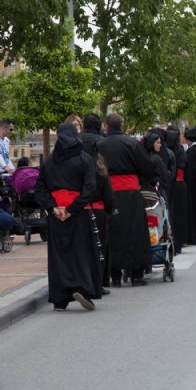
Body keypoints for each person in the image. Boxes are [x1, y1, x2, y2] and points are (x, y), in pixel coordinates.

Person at [35, 123, 100, 311]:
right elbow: (90, 188)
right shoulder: (84, 159)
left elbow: (40, 188)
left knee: (59, 256)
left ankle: (60, 298)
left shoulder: (48, 161)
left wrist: (54, 208)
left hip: (56, 215)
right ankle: (83, 288)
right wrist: (72, 209)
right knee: (81, 252)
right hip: (78, 213)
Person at [98, 113, 155, 287]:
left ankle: (114, 275)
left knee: (113, 233)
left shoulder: (99, 144)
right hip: (131, 193)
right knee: (135, 232)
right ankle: (137, 274)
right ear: (121, 125)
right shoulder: (132, 143)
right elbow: (147, 167)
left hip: (109, 192)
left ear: (107, 126)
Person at [80, 113, 116, 294]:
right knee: (100, 245)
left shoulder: (74, 145)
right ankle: (99, 282)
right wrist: (111, 207)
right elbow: (106, 185)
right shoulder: (101, 147)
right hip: (99, 206)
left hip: (77, 207)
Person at [166, 129, 189, 254]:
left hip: (171, 186)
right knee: (180, 214)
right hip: (180, 185)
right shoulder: (180, 150)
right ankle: (180, 241)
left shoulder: (167, 151)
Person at [143, 132, 173, 200]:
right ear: (151, 143)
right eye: (158, 142)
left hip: (145, 192)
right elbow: (165, 177)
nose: (160, 145)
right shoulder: (156, 159)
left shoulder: (143, 156)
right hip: (158, 192)